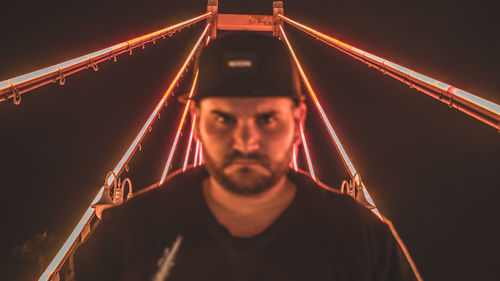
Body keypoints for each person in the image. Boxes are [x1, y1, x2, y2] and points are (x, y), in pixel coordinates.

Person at [73, 32, 417, 281]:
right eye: (224, 118)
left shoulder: (366, 243)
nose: (246, 141)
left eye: (267, 119)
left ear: (298, 122)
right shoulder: (124, 238)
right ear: (196, 122)